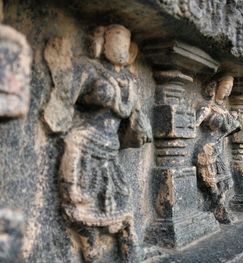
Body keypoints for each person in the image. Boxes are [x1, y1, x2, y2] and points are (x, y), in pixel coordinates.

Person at [44, 24, 152, 262]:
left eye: (125, 41)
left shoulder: (130, 80)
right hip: (84, 143)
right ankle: (91, 252)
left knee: (123, 206)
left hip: (111, 148)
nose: (120, 46)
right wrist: (61, 63)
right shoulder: (88, 69)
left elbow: (136, 119)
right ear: (102, 42)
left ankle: (131, 253)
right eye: (115, 39)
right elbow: (66, 94)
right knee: (81, 207)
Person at [196, 75, 240, 224]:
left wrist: (235, 119)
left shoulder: (225, 110)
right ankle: (216, 207)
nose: (228, 91)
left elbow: (233, 129)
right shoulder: (207, 107)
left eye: (230, 89)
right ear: (216, 87)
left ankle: (218, 207)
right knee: (212, 182)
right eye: (225, 88)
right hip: (207, 149)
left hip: (219, 149)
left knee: (227, 182)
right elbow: (194, 124)